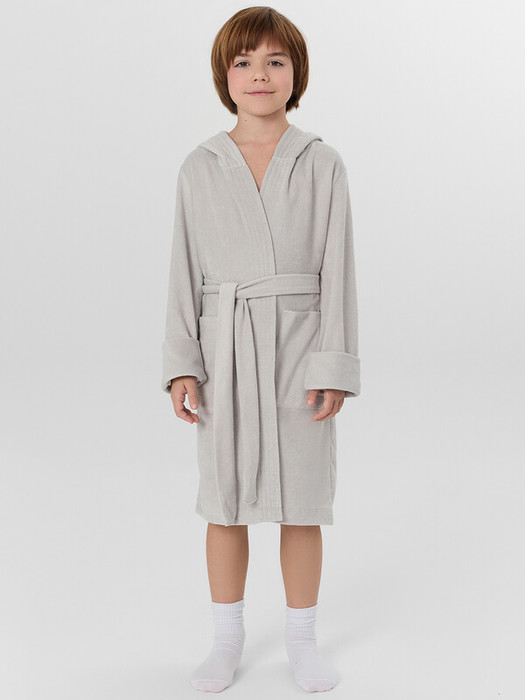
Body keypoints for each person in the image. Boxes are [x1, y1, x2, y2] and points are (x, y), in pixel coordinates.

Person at [161, 6, 361, 693]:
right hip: (224, 353)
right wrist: (182, 363)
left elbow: (338, 269)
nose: (259, 74)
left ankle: (302, 641)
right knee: (225, 501)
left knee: (302, 501)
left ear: (296, 73)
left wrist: (333, 363)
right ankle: (226, 640)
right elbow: (183, 269)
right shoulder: (200, 166)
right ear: (223, 75)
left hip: (301, 350)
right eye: (242, 62)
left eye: (275, 61)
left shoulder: (322, 162)